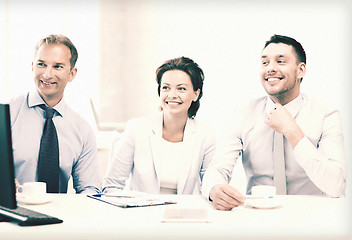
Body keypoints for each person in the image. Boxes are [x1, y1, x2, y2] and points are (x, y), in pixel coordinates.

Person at [202, 34, 347, 210]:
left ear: (300, 70)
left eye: (280, 61)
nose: (270, 68)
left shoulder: (326, 115)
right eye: (265, 62)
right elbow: (217, 169)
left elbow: (336, 186)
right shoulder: (242, 114)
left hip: (313, 216)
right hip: (258, 217)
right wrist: (215, 189)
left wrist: (292, 131)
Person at [103, 57, 216, 194]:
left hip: (183, 212)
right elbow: (112, 185)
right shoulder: (136, 128)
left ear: (195, 94)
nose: (172, 95)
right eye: (166, 88)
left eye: (181, 89)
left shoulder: (206, 135)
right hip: (140, 211)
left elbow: (211, 185)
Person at [10, 34, 101, 194]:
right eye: (41, 64)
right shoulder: (7, 115)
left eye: (57, 66)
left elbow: (90, 189)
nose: (47, 74)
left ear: (72, 73)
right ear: (32, 66)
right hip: (11, 214)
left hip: (61, 217)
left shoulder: (82, 131)